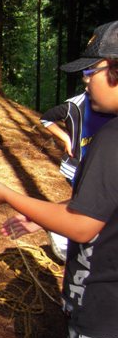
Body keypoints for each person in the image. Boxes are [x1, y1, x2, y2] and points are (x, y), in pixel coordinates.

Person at [0, 20, 118, 338]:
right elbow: (103, 204)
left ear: (114, 68)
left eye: (91, 72)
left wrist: (8, 194)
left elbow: (83, 224)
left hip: (105, 317)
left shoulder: (112, 138)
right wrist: (42, 218)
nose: (86, 82)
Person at [40, 88, 114, 260]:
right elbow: (46, 118)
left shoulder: (109, 104)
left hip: (101, 165)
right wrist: (66, 138)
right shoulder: (74, 105)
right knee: (83, 205)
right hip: (76, 166)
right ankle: (63, 236)